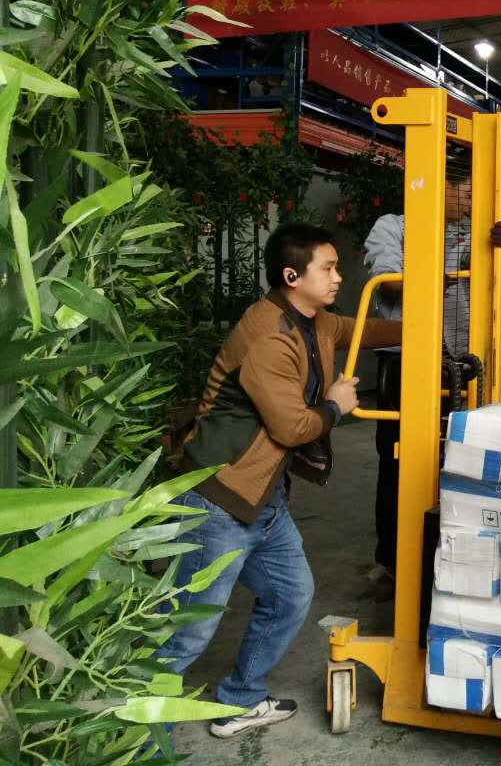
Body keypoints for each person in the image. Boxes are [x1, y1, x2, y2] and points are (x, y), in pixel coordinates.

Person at [159, 223, 402, 738]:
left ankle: (240, 700)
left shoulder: (313, 321)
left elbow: (357, 330)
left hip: (262, 501)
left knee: (290, 596)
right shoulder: (269, 335)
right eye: (328, 268)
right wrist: (336, 405)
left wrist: (423, 322)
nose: (338, 277)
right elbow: (291, 427)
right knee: (189, 626)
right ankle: (133, 738)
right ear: (293, 276)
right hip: (221, 499)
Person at [362, 168, 501, 576]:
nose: (471, 201)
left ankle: (448, 551)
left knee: (457, 456)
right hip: (406, 361)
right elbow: (389, 282)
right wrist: (437, 276)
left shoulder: (470, 233)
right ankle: (393, 559)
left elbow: (489, 280)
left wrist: (499, 249)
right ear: (441, 185)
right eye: (466, 191)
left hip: (460, 363)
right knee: (398, 462)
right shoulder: (393, 227)